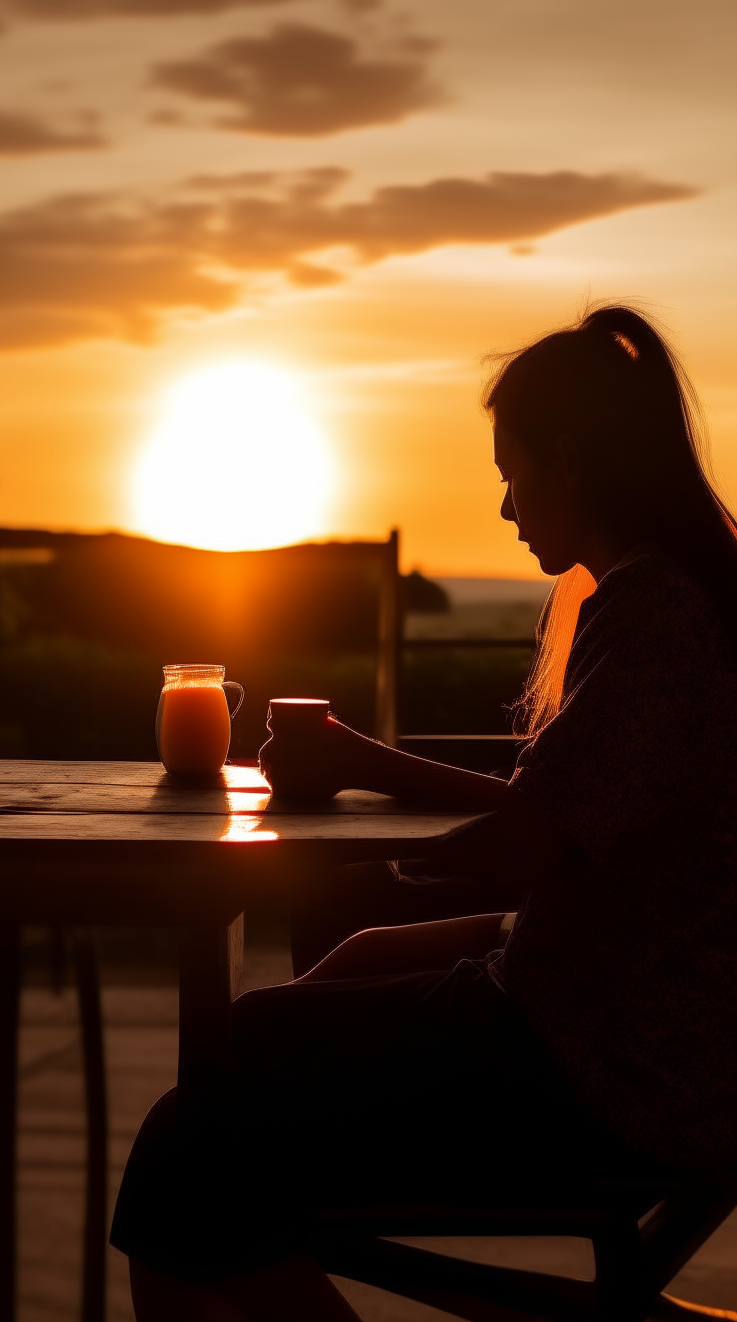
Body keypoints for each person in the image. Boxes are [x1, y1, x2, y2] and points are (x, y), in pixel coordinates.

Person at [111, 306, 737, 1321]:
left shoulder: (654, 618)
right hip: (639, 1014)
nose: (503, 505)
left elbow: (523, 843)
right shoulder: (681, 595)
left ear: (569, 461)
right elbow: (574, 820)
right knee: (281, 1025)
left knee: (202, 1123)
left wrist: (383, 843)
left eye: (510, 469)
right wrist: (370, 775)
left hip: (616, 1070)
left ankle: (238, 1223)